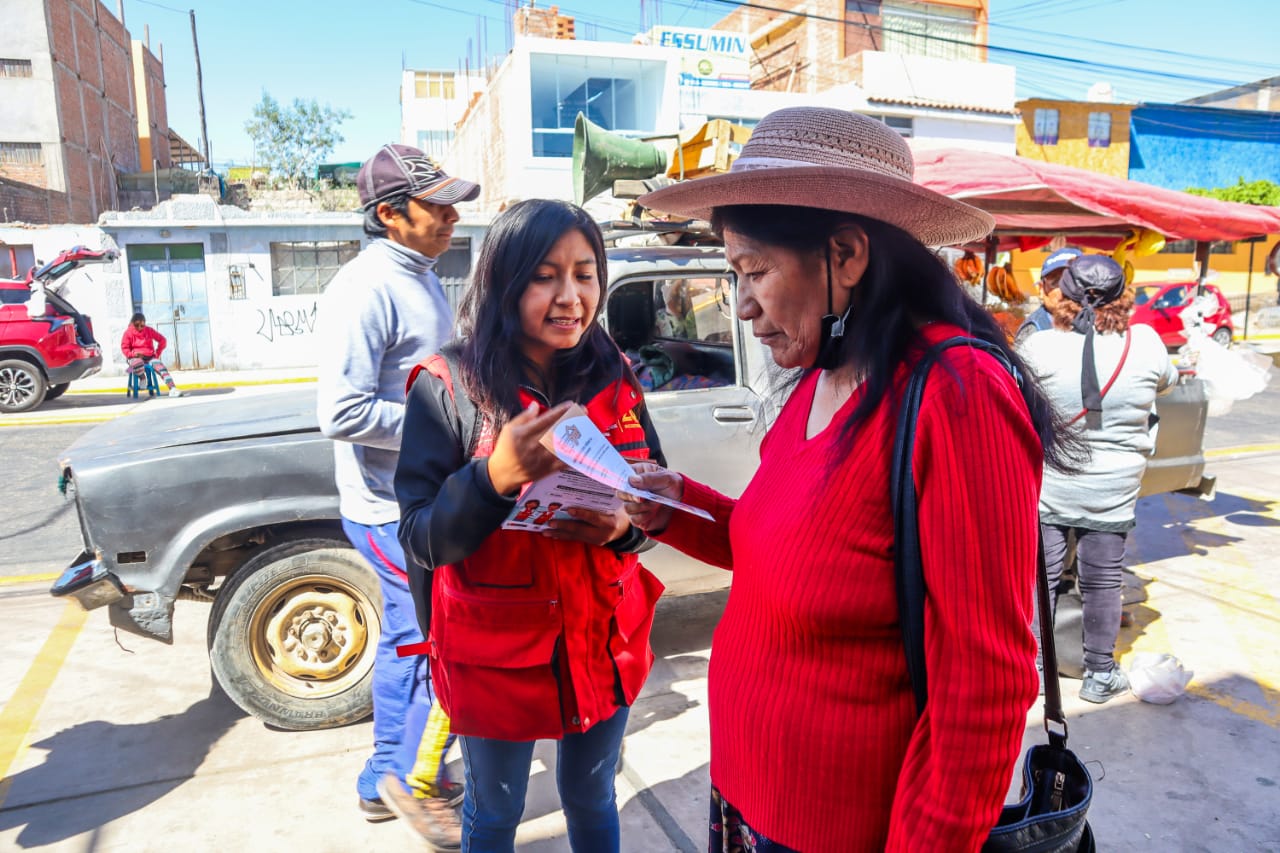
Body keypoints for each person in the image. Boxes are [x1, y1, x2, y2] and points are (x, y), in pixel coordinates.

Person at [622, 106, 1075, 851]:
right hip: (748, 806)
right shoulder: (816, 378)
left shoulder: (956, 393)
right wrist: (671, 504)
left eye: (753, 270)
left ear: (846, 252)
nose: (740, 305)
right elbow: (787, 552)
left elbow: (986, 687)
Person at [394, 198, 666, 853]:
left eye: (585, 273)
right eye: (546, 275)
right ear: (505, 281)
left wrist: (621, 530)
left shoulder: (617, 376)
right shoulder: (450, 384)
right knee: (495, 812)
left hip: (603, 637)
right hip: (497, 656)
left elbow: (653, 505)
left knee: (592, 797)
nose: (570, 295)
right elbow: (422, 536)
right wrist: (494, 478)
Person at [316, 142, 480, 847]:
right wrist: (444, 427)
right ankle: (406, 778)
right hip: (390, 506)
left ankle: (390, 771)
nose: (450, 217)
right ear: (389, 213)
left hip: (413, 496)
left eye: (452, 205)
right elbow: (343, 413)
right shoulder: (365, 289)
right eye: (435, 205)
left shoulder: (421, 275)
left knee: (408, 637)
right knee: (423, 643)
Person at [1019, 254, 1178, 704]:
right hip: (1114, 487)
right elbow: (1165, 382)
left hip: (1052, 484)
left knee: (1041, 577)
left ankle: (1033, 666)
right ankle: (1099, 673)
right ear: (1124, 297)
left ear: (1062, 295)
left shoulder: (1039, 347)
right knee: (1104, 580)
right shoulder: (1145, 343)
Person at [1014, 246, 1082, 345]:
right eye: (1056, 282)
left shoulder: (1098, 322)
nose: (1065, 288)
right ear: (1041, 289)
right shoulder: (1034, 330)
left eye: (1073, 281)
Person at [120, 313, 184, 397]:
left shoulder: (149, 330)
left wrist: (157, 353)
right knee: (137, 363)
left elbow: (162, 340)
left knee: (161, 368)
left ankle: (172, 388)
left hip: (149, 357)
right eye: (137, 325)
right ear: (132, 323)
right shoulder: (128, 333)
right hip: (134, 357)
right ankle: (142, 378)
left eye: (142, 325)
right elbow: (124, 348)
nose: (139, 327)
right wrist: (132, 354)